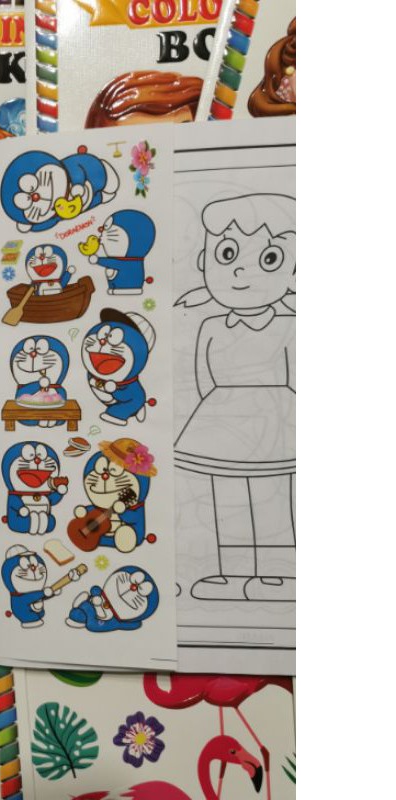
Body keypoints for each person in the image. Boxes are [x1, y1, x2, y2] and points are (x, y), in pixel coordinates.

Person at [175, 194, 295, 602]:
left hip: (275, 415)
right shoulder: (211, 324)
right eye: (227, 253)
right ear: (203, 261)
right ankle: (231, 572)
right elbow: (202, 376)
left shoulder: (291, 324)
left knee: (271, 498)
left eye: (269, 259)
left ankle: (277, 573)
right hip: (221, 415)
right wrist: (218, 411)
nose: (242, 270)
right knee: (225, 498)